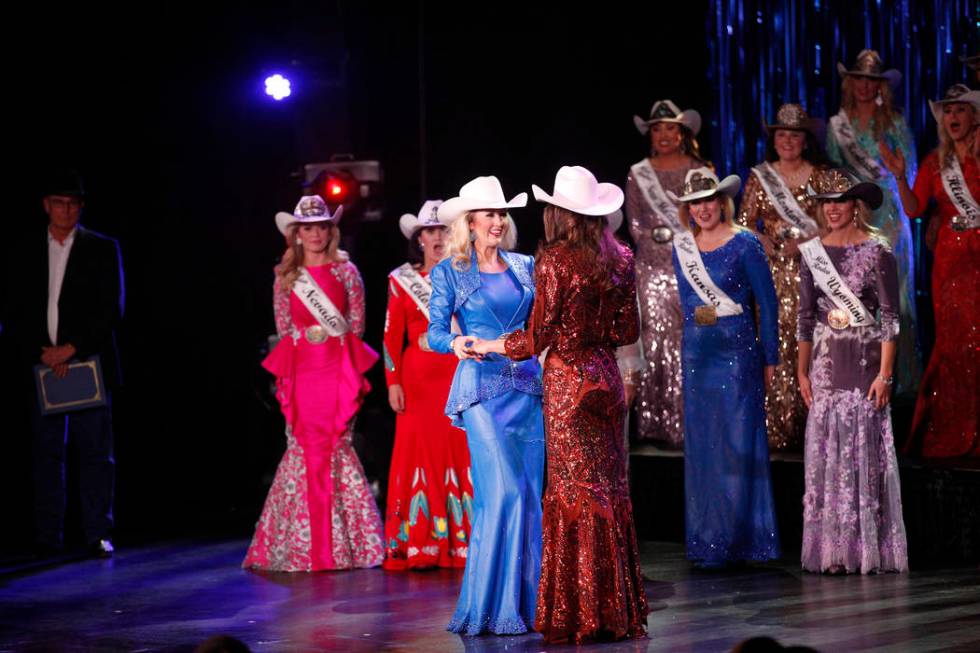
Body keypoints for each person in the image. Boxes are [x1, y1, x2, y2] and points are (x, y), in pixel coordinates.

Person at [474, 166, 647, 643]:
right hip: (606, 378)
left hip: (569, 383)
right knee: (608, 488)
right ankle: (616, 610)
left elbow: (535, 339)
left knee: (574, 489)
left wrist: (487, 346)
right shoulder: (622, 257)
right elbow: (627, 332)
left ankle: (580, 611)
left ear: (558, 212)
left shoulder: (554, 259)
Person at [427, 176, 545, 636]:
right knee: (503, 494)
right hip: (481, 391)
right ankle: (489, 604)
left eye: (502, 214)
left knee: (531, 498)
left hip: (527, 390)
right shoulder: (450, 270)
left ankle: (529, 604)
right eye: (489, 214)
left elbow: (539, 326)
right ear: (469, 223)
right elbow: (434, 332)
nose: (497, 221)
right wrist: (457, 341)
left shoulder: (524, 265)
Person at [243, 195, 383, 572]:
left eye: (322, 226)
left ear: (330, 230)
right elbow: (284, 329)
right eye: (308, 227)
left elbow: (357, 327)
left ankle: (342, 547)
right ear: (297, 234)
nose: (316, 233)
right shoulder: (285, 276)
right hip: (304, 372)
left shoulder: (346, 272)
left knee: (337, 446)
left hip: (337, 371)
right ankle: (307, 546)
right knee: (305, 449)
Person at [1, 169, 123, 559]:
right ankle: (47, 536)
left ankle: (96, 532)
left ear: (80, 207)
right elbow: (14, 308)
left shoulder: (102, 248)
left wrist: (70, 348)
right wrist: (43, 351)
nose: (65, 209)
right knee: (46, 453)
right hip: (41, 365)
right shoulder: (24, 250)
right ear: (46, 206)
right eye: (58, 202)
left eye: (72, 203)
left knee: (95, 452)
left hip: (86, 362)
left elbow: (111, 309)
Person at [669, 168, 781, 568]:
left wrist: (770, 357)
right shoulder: (681, 247)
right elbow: (687, 305)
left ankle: (743, 539)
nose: (702, 208)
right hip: (699, 353)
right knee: (704, 446)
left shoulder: (746, 244)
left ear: (722, 202)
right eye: (694, 202)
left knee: (737, 443)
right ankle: (708, 540)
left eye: (708, 200)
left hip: (737, 351)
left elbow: (767, 306)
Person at [797, 179, 908, 573]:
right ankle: (832, 551)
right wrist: (801, 370)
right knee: (828, 451)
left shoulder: (878, 251)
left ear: (855, 205)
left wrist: (886, 375)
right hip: (826, 364)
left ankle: (863, 551)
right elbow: (806, 318)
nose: (832, 209)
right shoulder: (811, 253)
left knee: (861, 451)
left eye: (841, 201)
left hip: (864, 362)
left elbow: (891, 319)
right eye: (826, 202)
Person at [737, 103, 844, 451]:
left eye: (794, 135)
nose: (787, 141)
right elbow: (742, 224)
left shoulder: (821, 175)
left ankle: (810, 421)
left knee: (810, 337)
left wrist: (805, 242)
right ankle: (777, 423)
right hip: (770, 271)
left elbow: (833, 221)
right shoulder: (760, 176)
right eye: (781, 134)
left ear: (805, 139)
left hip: (812, 268)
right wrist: (761, 238)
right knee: (774, 339)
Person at [880, 84, 980, 458]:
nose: (953, 117)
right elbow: (914, 209)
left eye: (961, 110)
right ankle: (956, 427)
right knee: (955, 345)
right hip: (950, 265)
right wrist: (901, 177)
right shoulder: (935, 163)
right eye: (948, 111)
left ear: (975, 117)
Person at [382, 199, 473, 570]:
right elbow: (390, 337)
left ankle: (464, 541)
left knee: (460, 450)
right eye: (430, 232)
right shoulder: (400, 280)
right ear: (419, 239)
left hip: (457, 373)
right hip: (417, 381)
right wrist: (392, 382)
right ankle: (423, 543)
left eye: (445, 230)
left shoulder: (466, 273)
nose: (438, 237)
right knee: (419, 455)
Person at [826, 49, 921, 400]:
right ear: (850, 83)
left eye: (871, 80)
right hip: (854, 217)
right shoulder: (838, 127)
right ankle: (858, 374)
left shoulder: (895, 122)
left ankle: (899, 383)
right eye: (859, 79)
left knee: (894, 299)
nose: (865, 86)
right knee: (856, 295)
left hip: (891, 219)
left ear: (880, 86)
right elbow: (834, 177)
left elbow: (908, 172)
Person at [626, 99, 709, 447]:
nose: (663, 135)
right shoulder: (638, 172)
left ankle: (686, 420)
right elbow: (634, 222)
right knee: (653, 337)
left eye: (670, 128)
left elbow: (709, 215)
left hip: (690, 263)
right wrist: (659, 239)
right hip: (650, 266)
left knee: (686, 336)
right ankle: (654, 421)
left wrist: (684, 242)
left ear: (682, 133)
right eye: (657, 129)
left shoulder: (699, 168)